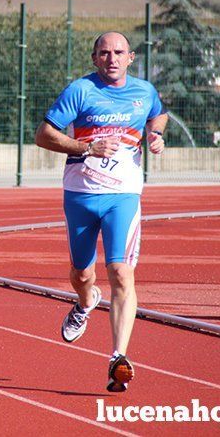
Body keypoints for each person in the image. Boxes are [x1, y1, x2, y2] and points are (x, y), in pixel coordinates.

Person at [35, 31, 168, 393]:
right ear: (94, 58)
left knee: (121, 273)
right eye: (104, 53)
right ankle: (84, 302)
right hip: (80, 194)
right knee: (82, 274)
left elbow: (159, 116)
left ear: (131, 57)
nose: (112, 58)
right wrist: (86, 146)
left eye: (118, 52)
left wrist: (155, 135)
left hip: (123, 196)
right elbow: (43, 135)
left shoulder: (144, 91)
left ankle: (118, 358)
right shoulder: (80, 90)